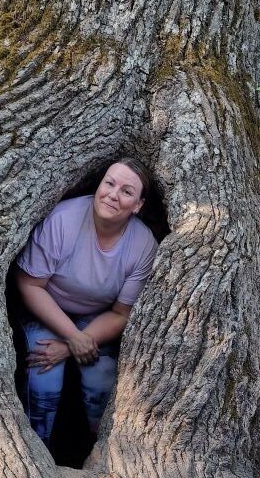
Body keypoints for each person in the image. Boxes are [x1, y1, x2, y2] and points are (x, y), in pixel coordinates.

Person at [15, 158, 158, 447]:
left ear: (138, 205)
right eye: (109, 183)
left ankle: (99, 453)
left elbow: (122, 313)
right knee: (44, 374)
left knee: (101, 378)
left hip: (96, 317)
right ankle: (35, 450)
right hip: (45, 306)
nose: (113, 195)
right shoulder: (63, 220)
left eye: (127, 191)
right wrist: (72, 336)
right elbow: (29, 284)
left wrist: (73, 345)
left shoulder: (143, 245)